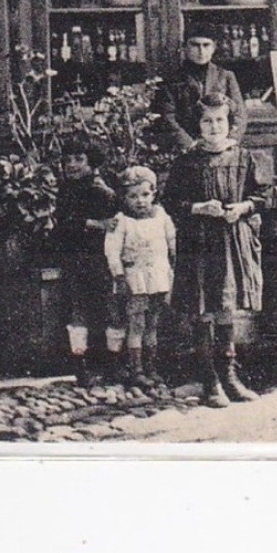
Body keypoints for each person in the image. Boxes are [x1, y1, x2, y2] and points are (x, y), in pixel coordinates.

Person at [165, 92, 267, 408]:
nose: (213, 126)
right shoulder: (186, 162)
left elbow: (261, 195)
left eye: (219, 120)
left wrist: (244, 207)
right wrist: (197, 207)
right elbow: (170, 203)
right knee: (203, 308)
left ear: (229, 122)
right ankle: (209, 382)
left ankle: (230, 377)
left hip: (229, 242)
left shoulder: (243, 157)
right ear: (197, 125)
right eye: (207, 121)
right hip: (198, 244)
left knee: (225, 307)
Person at [51, 137, 119, 386]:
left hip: (101, 258)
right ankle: (81, 367)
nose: (72, 165)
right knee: (77, 309)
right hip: (74, 257)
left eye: (79, 159)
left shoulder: (103, 190)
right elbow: (63, 222)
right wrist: (93, 224)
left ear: (92, 162)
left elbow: (115, 222)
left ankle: (110, 365)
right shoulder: (66, 190)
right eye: (67, 160)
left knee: (105, 310)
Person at [102, 165, 176, 390]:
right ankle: (136, 369)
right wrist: (119, 276)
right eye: (133, 196)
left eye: (145, 195)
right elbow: (112, 251)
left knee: (153, 324)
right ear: (124, 198)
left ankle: (152, 367)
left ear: (153, 193)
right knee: (136, 324)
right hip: (135, 279)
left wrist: (174, 261)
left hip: (159, 277)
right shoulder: (122, 221)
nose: (140, 201)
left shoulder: (161, 215)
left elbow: (172, 240)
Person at [155, 24, 247, 152]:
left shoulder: (226, 76)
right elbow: (167, 117)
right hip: (188, 150)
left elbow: (239, 114)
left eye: (206, 45)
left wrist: (229, 140)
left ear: (214, 47)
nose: (201, 51)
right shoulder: (172, 80)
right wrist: (190, 144)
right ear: (184, 47)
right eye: (195, 45)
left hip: (222, 148)